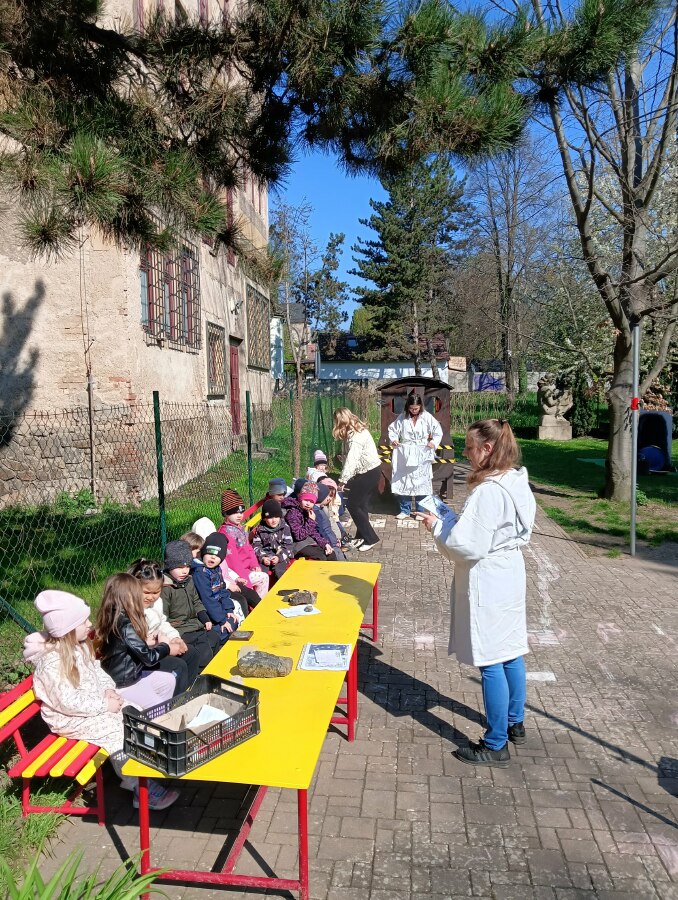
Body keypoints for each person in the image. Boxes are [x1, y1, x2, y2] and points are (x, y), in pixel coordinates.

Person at [417, 419, 536, 767]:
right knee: (511, 650)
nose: (466, 454)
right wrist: (455, 523)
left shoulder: (488, 491)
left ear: (487, 448)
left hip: (488, 579)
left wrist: (437, 526)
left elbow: (466, 548)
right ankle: (515, 723)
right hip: (509, 572)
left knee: (490, 660)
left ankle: (496, 743)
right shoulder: (515, 480)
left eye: (470, 448)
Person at [24, 589, 179, 809]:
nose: (89, 624)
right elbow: (68, 702)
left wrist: (108, 690)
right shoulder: (51, 664)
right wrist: (105, 705)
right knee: (116, 733)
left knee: (133, 711)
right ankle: (139, 788)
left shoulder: (78, 647)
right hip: (69, 718)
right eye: (83, 621)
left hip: (93, 704)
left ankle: (149, 762)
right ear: (67, 629)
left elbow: (98, 671)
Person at [96, 573, 188, 698]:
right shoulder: (125, 624)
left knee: (169, 680)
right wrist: (165, 646)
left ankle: (171, 705)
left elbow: (127, 645)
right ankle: (168, 707)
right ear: (127, 596)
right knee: (160, 699)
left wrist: (153, 642)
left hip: (128, 673)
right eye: (137, 593)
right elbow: (149, 658)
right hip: (125, 682)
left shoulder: (113, 615)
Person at [127, 558, 201, 690]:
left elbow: (162, 622)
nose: (151, 597)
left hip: (160, 645)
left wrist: (175, 638)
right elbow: (136, 645)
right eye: (146, 592)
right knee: (178, 666)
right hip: (142, 657)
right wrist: (164, 646)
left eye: (156, 592)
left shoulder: (156, 602)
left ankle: (187, 691)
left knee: (192, 654)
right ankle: (175, 699)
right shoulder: (131, 609)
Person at [161, 539, 221, 666]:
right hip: (179, 629)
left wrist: (204, 617)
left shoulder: (188, 581)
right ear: (169, 567)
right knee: (204, 652)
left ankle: (210, 667)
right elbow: (162, 617)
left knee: (215, 638)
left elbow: (196, 601)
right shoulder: (166, 588)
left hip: (194, 624)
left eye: (188, 566)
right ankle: (199, 673)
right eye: (180, 567)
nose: (185, 571)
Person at [333, 407, 382, 553]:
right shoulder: (357, 429)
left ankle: (371, 538)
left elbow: (352, 461)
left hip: (368, 472)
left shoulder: (355, 437)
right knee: (361, 505)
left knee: (353, 505)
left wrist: (343, 480)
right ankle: (362, 536)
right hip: (371, 470)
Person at [388, 392, 443, 518]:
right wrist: (394, 439)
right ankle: (405, 510)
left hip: (421, 452)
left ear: (420, 407)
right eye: (411, 408)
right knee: (404, 480)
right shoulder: (403, 417)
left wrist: (433, 442)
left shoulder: (427, 417)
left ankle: (420, 511)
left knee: (421, 481)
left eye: (416, 408)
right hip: (405, 452)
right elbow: (392, 429)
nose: (413, 411)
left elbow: (438, 431)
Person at [189, 520, 261, 614]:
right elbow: (213, 579)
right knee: (241, 600)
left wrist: (236, 578)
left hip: (230, 582)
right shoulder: (205, 562)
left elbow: (227, 569)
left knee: (251, 594)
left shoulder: (217, 555)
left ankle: (263, 613)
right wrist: (228, 585)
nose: (213, 556)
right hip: (223, 586)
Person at [191, 532, 244, 644]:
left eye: (217, 555)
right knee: (225, 629)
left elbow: (222, 590)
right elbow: (207, 599)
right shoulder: (200, 573)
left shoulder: (216, 569)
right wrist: (222, 620)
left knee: (233, 620)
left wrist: (228, 609)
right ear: (203, 553)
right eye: (209, 553)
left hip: (216, 611)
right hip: (205, 614)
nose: (213, 557)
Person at [218, 489, 269, 599]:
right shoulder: (226, 533)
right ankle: (258, 604)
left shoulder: (239, 528)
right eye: (235, 512)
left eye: (241, 512)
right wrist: (248, 586)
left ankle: (258, 602)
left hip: (248, 569)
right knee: (263, 578)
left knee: (264, 572)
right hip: (238, 575)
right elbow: (233, 562)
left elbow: (249, 548)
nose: (239, 515)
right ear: (226, 514)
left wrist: (254, 564)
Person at [282, 481, 337, 560]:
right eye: (306, 500)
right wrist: (311, 521)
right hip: (294, 544)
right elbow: (298, 536)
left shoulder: (307, 510)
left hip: (306, 541)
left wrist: (325, 543)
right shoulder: (292, 513)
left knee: (331, 554)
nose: (308, 503)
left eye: (311, 501)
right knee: (320, 557)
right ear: (300, 498)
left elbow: (313, 531)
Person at [251, 499, 294, 580]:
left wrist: (279, 557)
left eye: (276, 517)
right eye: (270, 517)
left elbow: (288, 546)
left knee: (279, 571)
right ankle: (264, 588)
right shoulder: (260, 530)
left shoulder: (285, 527)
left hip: (281, 556)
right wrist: (263, 557)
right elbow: (256, 546)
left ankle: (282, 586)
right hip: (266, 556)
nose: (274, 520)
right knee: (261, 573)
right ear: (264, 518)